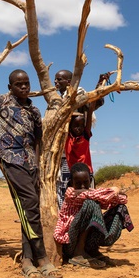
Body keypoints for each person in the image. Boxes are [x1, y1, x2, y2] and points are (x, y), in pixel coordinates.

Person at [0, 69, 63, 278]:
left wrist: (36, 163)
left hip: (30, 163)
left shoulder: (34, 111)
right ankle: (42, 257)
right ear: (10, 87)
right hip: (11, 161)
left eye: (26, 83)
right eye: (19, 84)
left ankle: (27, 261)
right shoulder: (2, 101)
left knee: (28, 210)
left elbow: (38, 140)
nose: (24, 87)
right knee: (31, 203)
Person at [54, 162, 133, 268]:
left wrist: (114, 192)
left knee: (120, 208)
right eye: (78, 183)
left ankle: (92, 250)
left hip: (87, 239)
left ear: (90, 181)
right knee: (91, 203)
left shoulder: (92, 193)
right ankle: (78, 252)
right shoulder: (70, 192)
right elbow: (91, 195)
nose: (82, 186)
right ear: (71, 183)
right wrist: (114, 190)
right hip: (70, 242)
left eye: (85, 182)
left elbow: (123, 200)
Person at [54, 70, 110, 208]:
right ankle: (66, 215)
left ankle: (84, 215)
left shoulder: (78, 95)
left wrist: (100, 85)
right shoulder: (56, 100)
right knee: (65, 191)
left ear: (68, 82)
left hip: (77, 161)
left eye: (59, 79)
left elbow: (93, 103)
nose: (55, 82)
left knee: (84, 191)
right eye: (55, 79)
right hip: (61, 155)